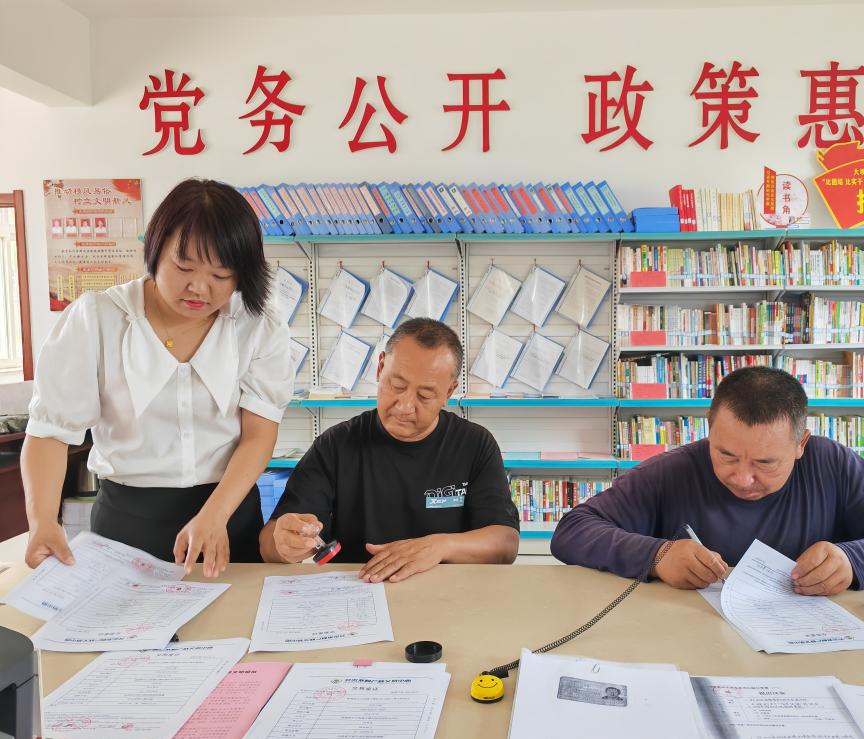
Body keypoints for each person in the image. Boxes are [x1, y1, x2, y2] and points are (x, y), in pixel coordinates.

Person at [23, 179, 293, 576]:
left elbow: (259, 433)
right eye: (184, 267)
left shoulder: (257, 325)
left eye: (221, 275)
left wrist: (215, 514)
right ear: (155, 249)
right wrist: (42, 520)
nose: (199, 288)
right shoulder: (97, 318)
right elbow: (50, 431)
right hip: (125, 522)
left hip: (225, 516)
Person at [551, 366, 864, 595]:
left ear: (801, 445)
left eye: (765, 462)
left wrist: (852, 561)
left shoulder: (832, 464)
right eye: (725, 454)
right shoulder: (675, 470)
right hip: (689, 642)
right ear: (709, 431)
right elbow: (573, 530)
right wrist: (657, 555)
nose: (742, 478)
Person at [260, 318, 519, 580]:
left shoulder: (475, 444)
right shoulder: (336, 444)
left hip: (447, 593)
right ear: (381, 367)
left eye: (425, 395)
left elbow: (506, 544)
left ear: (448, 393)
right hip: (359, 589)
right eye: (397, 386)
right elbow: (268, 543)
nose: (404, 406)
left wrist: (439, 546)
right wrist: (283, 543)